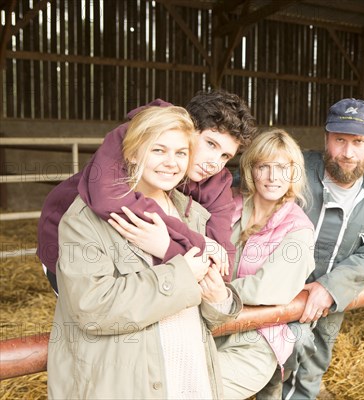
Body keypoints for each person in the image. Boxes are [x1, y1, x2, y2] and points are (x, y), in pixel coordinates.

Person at [47, 106, 242, 399]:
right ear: (134, 153)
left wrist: (220, 300)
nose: (171, 163)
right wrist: (181, 276)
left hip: (191, 378)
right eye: (158, 150)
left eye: (180, 153)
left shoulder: (193, 215)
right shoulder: (84, 220)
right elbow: (92, 308)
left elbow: (205, 308)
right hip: (129, 385)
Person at [37, 90, 256, 294]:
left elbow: (222, 258)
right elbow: (108, 199)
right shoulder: (142, 133)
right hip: (68, 241)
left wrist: (169, 248)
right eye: (210, 144)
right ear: (188, 127)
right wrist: (195, 242)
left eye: (225, 156)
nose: (214, 163)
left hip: (132, 257)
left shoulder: (217, 181)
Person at [282, 98, 364, 399]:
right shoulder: (295, 167)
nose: (348, 153)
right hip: (274, 294)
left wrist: (331, 286)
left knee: (310, 369)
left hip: (328, 302)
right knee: (258, 368)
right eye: (339, 140)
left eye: (358, 142)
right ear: (326, 138)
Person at [215, 129, 315, 399]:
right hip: (209, 328)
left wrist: (208, 290)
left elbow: (266, 290)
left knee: (194, 387)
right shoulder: (226, 204)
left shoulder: (298, 229)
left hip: (257, 338)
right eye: (264, 167)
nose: (273, 177)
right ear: (251, 169)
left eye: (282, 168)